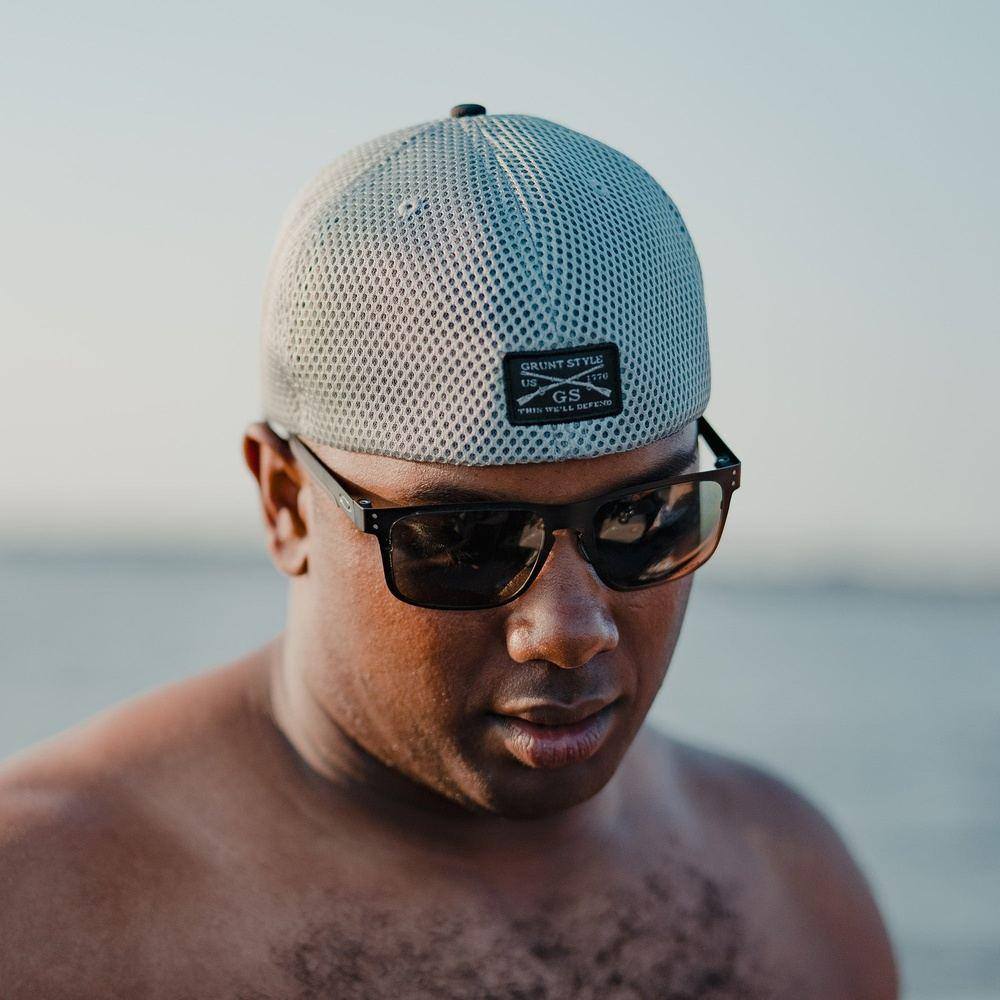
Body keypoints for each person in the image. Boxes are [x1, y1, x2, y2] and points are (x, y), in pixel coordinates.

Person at [0, 104, 898, 999]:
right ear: (285, 503)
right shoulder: (39, 912)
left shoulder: (790, 886)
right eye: (466, 542)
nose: (569, 630)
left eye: (640, 519)